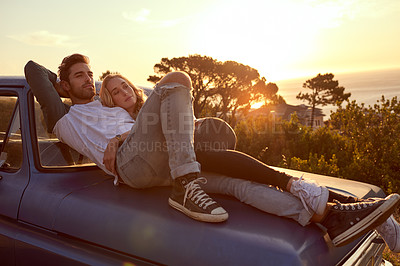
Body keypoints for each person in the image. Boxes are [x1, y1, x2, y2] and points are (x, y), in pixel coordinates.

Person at [24, 54, 399, 248]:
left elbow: (138, 117)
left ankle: (327, 216)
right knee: (176, 80)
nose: (88, 79)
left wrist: (128, 133)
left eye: (90, 73)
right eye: (79, 76)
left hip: (158, 163)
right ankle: (188, 181)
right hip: (132, 166)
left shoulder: (112, 108)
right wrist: (59, 86)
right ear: (64, 85)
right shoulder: (65, 117)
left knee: (238, 185)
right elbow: (32, 69)